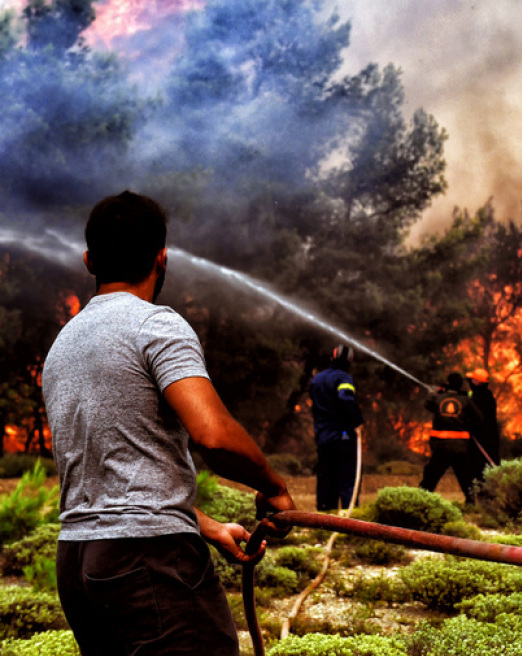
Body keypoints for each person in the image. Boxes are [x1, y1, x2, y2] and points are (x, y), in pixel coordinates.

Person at [42, 190, 296, 656]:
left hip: (79, 563)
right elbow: (214, 437)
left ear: (89, 260)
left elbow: (111, 475)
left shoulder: (64, 345)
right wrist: (273, 486)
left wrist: (204, 524)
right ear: (162, 257)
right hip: (148, 561)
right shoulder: (155, 325)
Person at [309, 344, 365, 511]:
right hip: (343, 436)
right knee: (348, 479)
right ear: (350, 362)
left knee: (326, 478)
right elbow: (345, 398)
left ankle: (325, 519)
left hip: (323, 436)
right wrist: (357, 421)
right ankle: (350, 521)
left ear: (332, 358)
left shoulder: (317, 379)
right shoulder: (344, 378)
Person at [419, 372, 483, 503]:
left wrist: (436, 393)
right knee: (465, 477)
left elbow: (428, 405)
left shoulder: (438, 399)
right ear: (460, 385)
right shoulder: (466, 400)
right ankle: (471, 503)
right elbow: (479, 419)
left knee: (431, 476)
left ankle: (420, 501)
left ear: (447, 383)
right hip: (460, 448)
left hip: (440, 447)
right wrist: (466, 424)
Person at [466, 368, 500, 481]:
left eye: (472, 380)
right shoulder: (485, 395)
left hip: (481, 437)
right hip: (488, 436)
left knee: (481, 465)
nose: (470, 382)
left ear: (477, 382)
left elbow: (476, 416)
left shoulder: (480, 397)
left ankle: (484, 490)